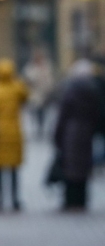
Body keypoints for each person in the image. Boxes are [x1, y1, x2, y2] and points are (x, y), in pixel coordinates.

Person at [52, 58, 102, 211]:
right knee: (84, 166)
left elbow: (63, 114)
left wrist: (57, 135)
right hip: (87, 131)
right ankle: (82, 199)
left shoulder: (70, 90)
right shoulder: (94, 90)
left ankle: (71, 199)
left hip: (71, 131)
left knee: (70, 166)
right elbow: (98, 113)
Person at [0, 58, 29, 212]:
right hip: (15, 131)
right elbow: (26, 97)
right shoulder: (17, 87)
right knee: (14, 168)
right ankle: (15, 199)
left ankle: (0, 200)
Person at [22, 47, 54, 140]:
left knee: (42, 113)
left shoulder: (46, 66)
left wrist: (48, 89)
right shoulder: (30, 67)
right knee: (35, 113)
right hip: (34, 95)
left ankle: (41, 128)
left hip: (44, 94)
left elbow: (49, 80)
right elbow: (27, 79)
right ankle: (37, 128)